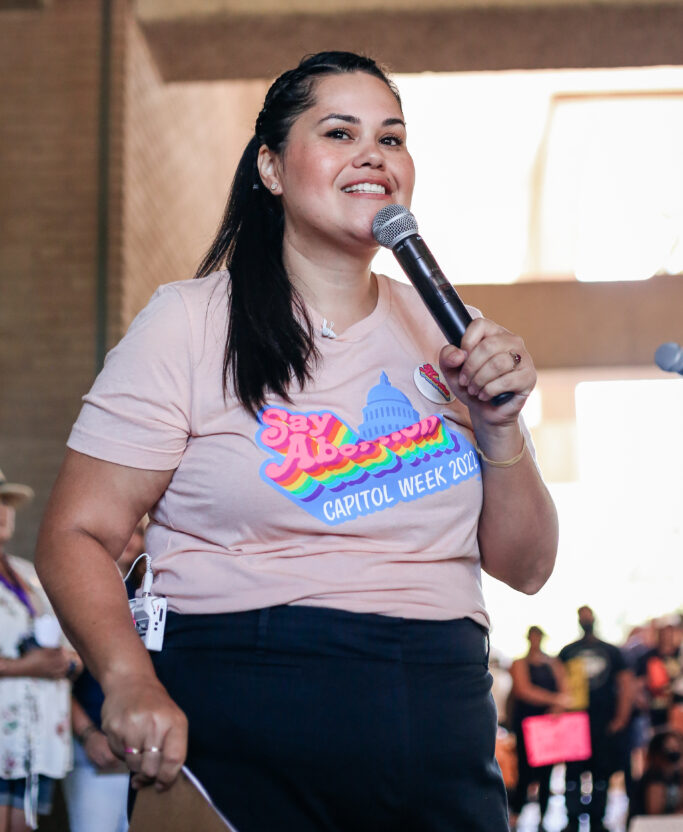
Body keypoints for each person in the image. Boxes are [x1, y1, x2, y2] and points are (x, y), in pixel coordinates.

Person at [35, 50, 559, 832]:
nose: (373, 157)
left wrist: (497, 422)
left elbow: (526, 567)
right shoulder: (189, 322)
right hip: (242, 706)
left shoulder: (446, 330)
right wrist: (129, 680)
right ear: (272, 168)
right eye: (340, 132)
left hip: (436, 715)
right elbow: (76, 532)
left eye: (391, 138)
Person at [0, 469, 77, 832]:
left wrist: (67, 662)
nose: (2, 510)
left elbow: (69, 642)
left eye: (6, 502)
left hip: (37, 735)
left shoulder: (28, 573)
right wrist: (25, 666)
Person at [62, 521, 147, 832]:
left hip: (143, 750)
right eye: (124, 529)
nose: (129, 538)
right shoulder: (80, 590)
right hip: (93, 745)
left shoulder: (153, 593)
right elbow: (59, 674)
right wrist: (87, 736)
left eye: (137, 532)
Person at [559, 605, 633, 832]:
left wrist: (621, 717)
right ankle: (572, 817)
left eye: (588, 616)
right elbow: (559, 684)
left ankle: (597, 818)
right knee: (572, 774)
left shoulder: (611, 651)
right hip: (574, 723)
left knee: (601, 773)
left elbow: (626, 683)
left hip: (603, 722)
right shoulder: (568, 651)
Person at [508, 625, 568, 829]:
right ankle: (516, 814)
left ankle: (544, 815)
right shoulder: (520, 663)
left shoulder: (553, 663)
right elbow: (524, 690)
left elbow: (564, 690)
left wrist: (557, 705)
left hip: (548, 723)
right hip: (527, 723)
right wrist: (554, 699)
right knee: (525, 771)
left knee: (547, 772)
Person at [635, 728, 683, 816]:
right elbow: (655, 813)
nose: (674, 752)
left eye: (677, 747)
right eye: (669, 749)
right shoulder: (653, 777)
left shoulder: (676, 776)